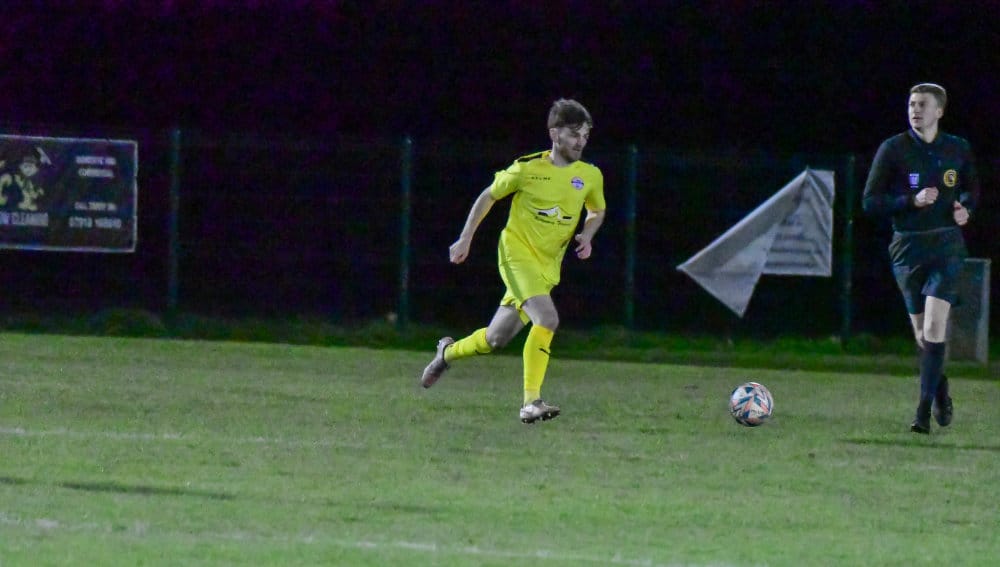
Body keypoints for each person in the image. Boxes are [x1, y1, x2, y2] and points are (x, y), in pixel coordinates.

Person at [420, 98, 607, 424]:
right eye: (574, 134)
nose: (581, 142)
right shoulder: (527, 169)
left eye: (585, 135)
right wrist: (465, 238)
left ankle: (446, 353)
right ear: (555, 134)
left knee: (496, 339)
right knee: (547, 318)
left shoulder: (589, 175)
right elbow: (489, 195)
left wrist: (588, 234)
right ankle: (531, 402)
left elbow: (597, 210)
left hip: (547, 268)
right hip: (516, 255)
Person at [862, 83, 980, 434]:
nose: (915, 110)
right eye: (912, 104)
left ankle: (922, 413)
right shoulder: (893, 149)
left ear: (939, 111)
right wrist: (910, 201)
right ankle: (939, 389)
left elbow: (972, 189)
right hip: (907, 248)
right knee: (922, 335)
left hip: (946, 246)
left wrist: (966, 209)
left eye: (922, 104)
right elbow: (870, 202)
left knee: (933, 328)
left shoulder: (957, 148)